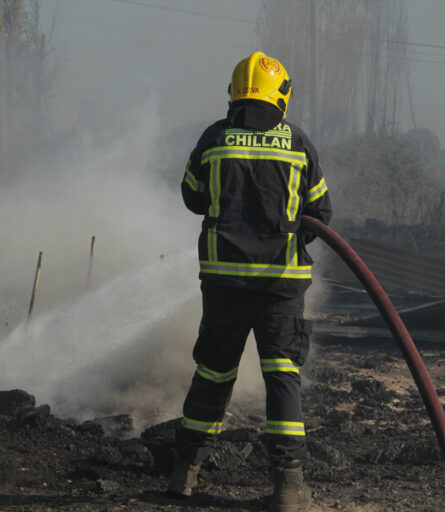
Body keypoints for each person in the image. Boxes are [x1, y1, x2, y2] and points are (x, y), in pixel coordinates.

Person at [169, 51, 332, 512]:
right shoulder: (297, 143)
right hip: (281, 286)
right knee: (282, 377)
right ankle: (289, 487)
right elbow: (321, 213)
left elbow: (192, 198)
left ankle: (185, 473)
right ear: (280, 96)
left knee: (213, 372)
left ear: (235, 93)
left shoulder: (214, 138)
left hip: (223, 284)